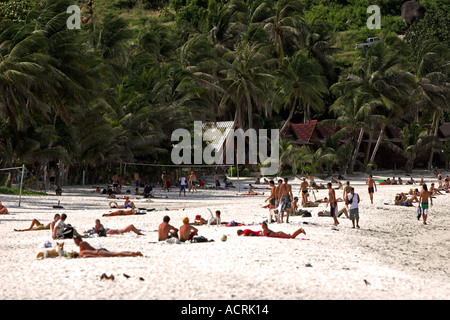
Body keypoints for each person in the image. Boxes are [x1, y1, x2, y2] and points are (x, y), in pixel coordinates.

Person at [73, 236, 143, 257]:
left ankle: (133, 254)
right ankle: (133, 253)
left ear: (78, 240)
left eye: (75, 241)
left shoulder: (82, 244)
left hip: (99, 252)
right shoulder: (83, 243)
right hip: (99, 250)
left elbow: (82, 253)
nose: (75, 243)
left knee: (115, 254)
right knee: (115, 253)